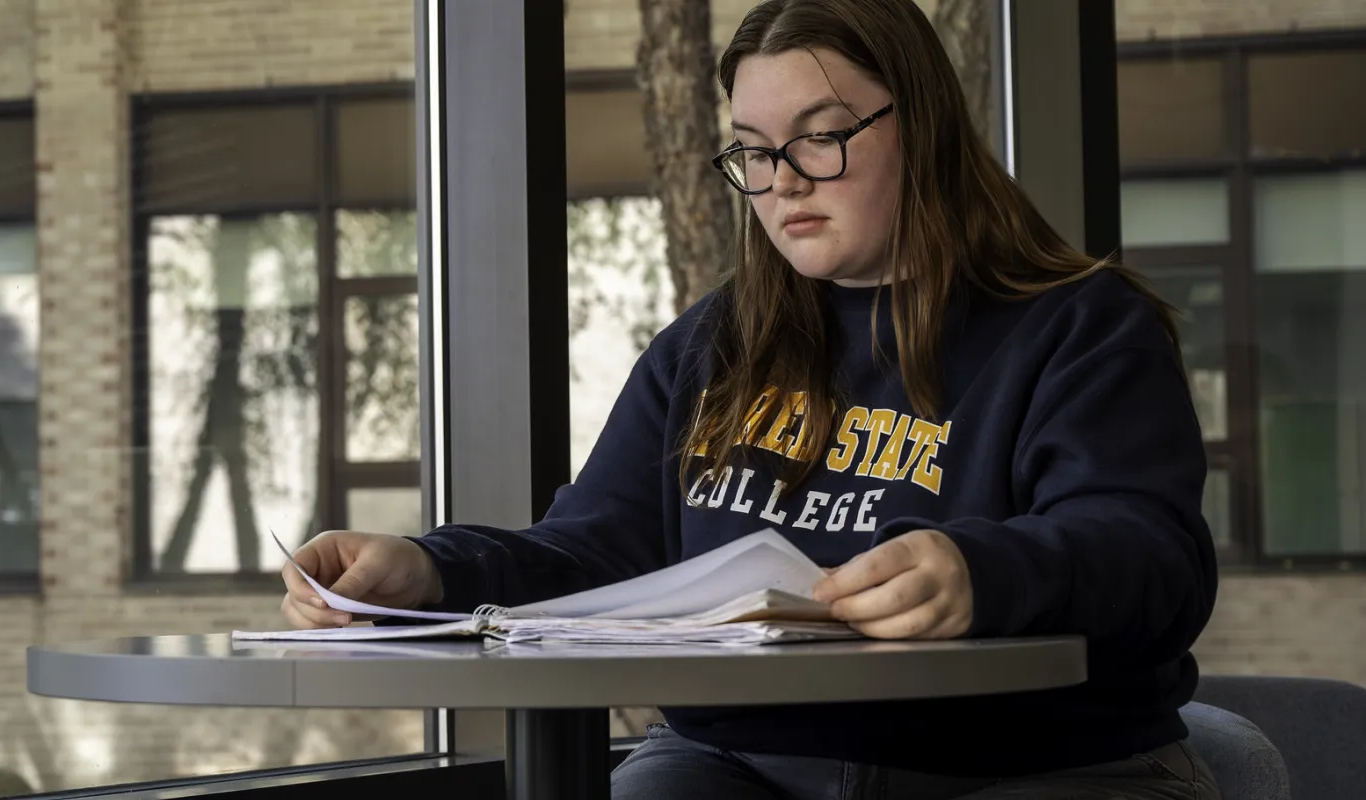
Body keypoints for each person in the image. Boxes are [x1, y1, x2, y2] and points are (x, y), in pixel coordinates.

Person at [279, 0, 1222, 797]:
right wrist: (429, 572)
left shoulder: (1078, 326)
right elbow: (594, 554)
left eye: (820, 136)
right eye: (754, 151)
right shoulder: (714, 343)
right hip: (738, 761)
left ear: (923, 123)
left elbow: (1153, 557)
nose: (783, 182)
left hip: (1027, 762)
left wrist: (990, 572)